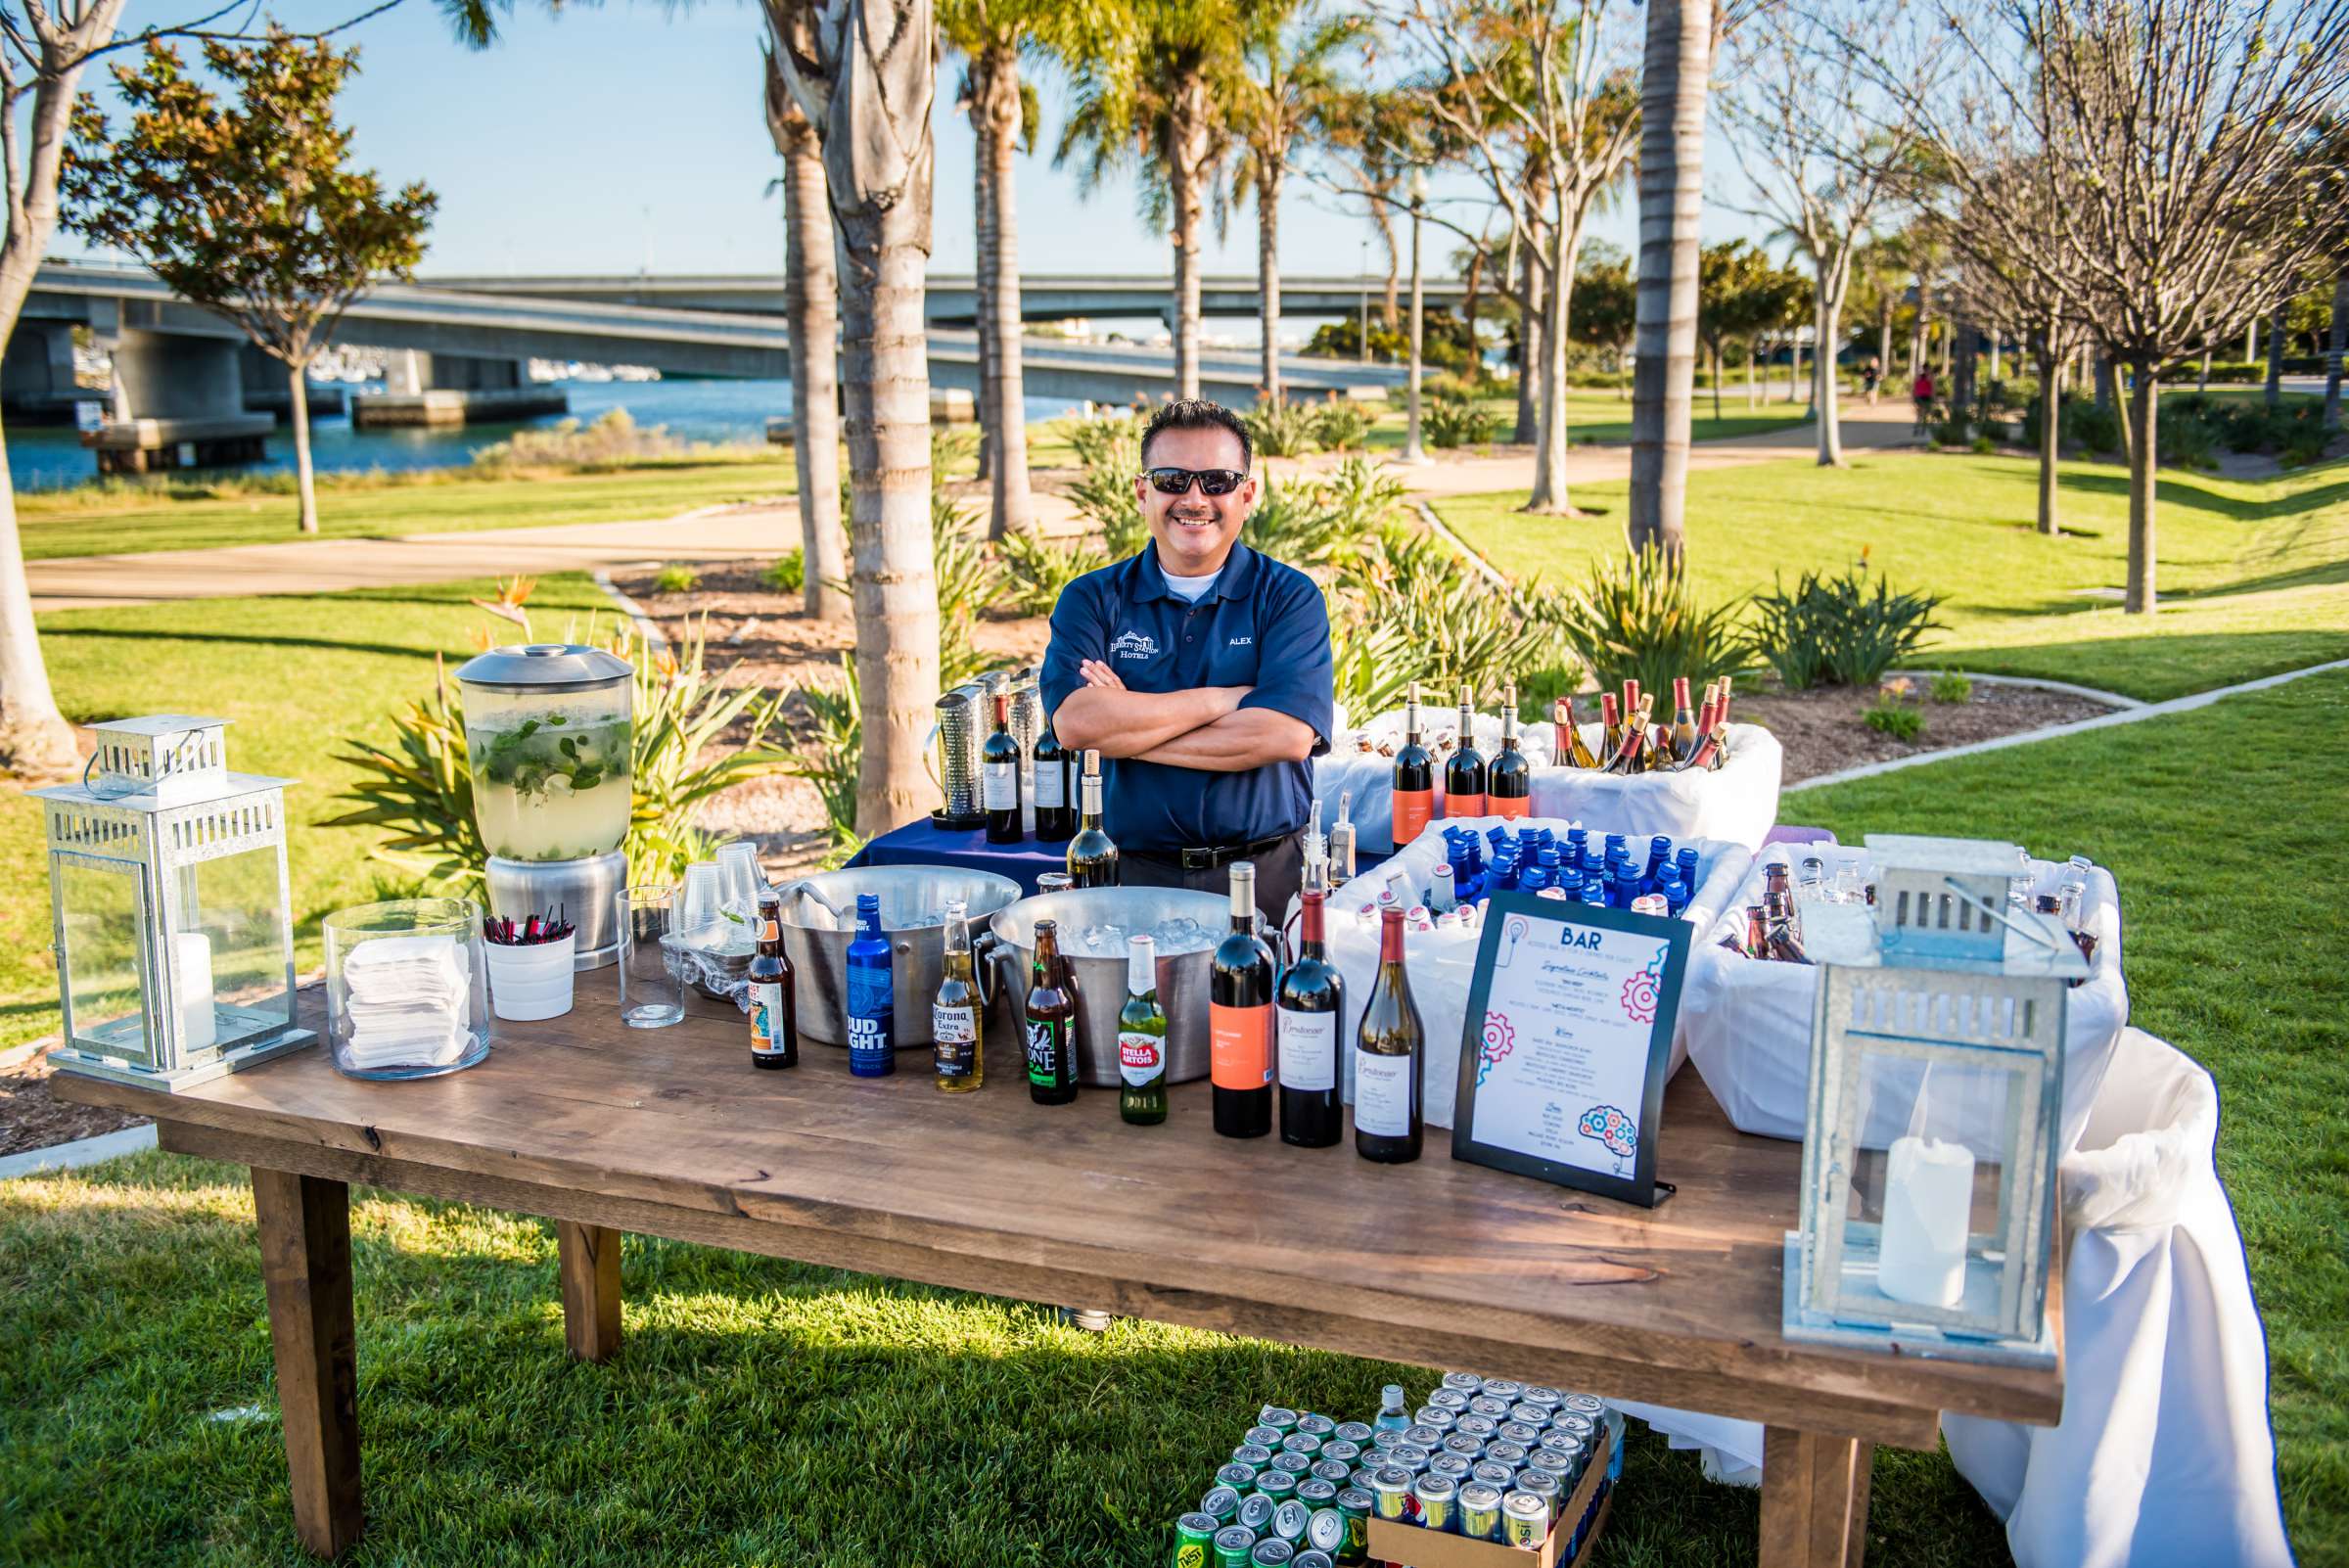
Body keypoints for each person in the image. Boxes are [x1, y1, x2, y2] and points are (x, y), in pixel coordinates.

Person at [1040, 398, 1333, 928]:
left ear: (1247, 494)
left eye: (1217, 480)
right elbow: (1078, 724)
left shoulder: (1290, 597)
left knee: (1265, 1014)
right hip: (1130, 880)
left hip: (1266, 876)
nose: (1194, 498)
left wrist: (1129, 726)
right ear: (1142, 491)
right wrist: (1224, 699)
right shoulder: (1091, 598)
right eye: (1173, 479)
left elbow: (1284, 737)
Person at [1911, 367, 1936, 434]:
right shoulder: (1930, 378)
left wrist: (1913, 398)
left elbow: (1913, 388)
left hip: (1920, 397)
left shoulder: (1918, 377)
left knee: (1921, 414)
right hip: (1925, 397)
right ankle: (1921, 429)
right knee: (1924, 414)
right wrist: (1934, 398)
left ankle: (1918, 429)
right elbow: (1933, 389)